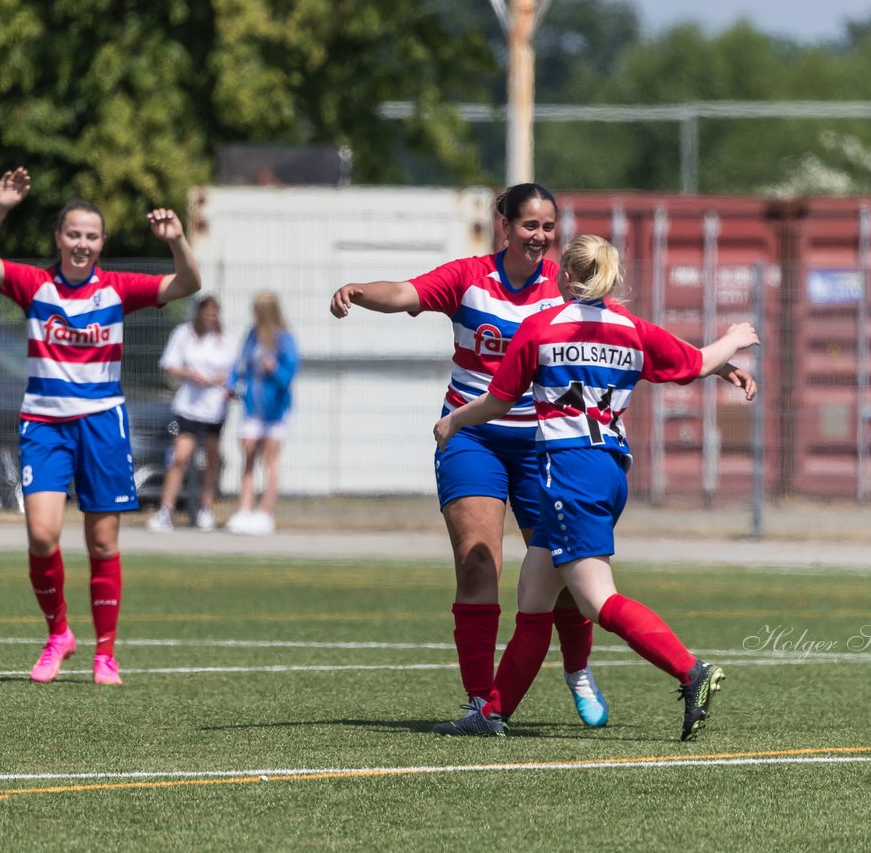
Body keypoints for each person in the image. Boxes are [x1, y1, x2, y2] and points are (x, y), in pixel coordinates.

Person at [330, 184, 755, 731]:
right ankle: (484, 703)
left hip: (548, 450)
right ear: (503, 224)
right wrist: (360, 290)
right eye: (530, 224)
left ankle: (598, 670)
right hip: (488, 443)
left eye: (549, 226)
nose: (541, 236)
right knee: (488, 563)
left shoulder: (559, 299)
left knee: (579, 588)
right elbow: (406, 291)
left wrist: (719, 364)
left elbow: (620, 348)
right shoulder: (469, 277)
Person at [431, 234, 760, 739]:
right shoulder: (631, 329)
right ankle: (491, 714)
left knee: (595, 600)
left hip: (568, 471)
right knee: (535, 596)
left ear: (564, 276)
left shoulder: (541, 328)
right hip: (609, 469)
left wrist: (453, 423)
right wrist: (734, 341)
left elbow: (497, 401)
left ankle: (692, 672)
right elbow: (694, 364)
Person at [0, 166, 201, 686]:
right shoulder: (35, 284)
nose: (82, 243)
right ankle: (58, 634)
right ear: (58, 238)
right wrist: (0, 207)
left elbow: (188, 283)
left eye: (92, 236)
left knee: (102, 543)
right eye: (73, 234)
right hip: (44, 425)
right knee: (43, 535)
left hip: (101, 425)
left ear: (102, 243)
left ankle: (106, 654)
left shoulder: (117, 289)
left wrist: (178, 240)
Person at [147, 294, 238, 533]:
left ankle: (205, 507)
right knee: (180, 457)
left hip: (215, 408)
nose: (211, 317)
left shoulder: (226, 340)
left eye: (214, 312)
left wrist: (224, 380)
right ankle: (165, 509)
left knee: (211, 459)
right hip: (188, 406)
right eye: (207, 312)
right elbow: (168, 364)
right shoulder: (184, 334)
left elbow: (236, 370)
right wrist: (190, 374)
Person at [225, 290, 299, 535]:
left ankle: (265, 512)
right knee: (247, 453)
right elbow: (238, 364)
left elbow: (288, 376)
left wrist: (274, 369)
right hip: (252, 406)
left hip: (276, 409)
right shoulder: (252, 335)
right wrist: (231, 385)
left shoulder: (284, 339)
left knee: (270, 459)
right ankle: (244, 509)